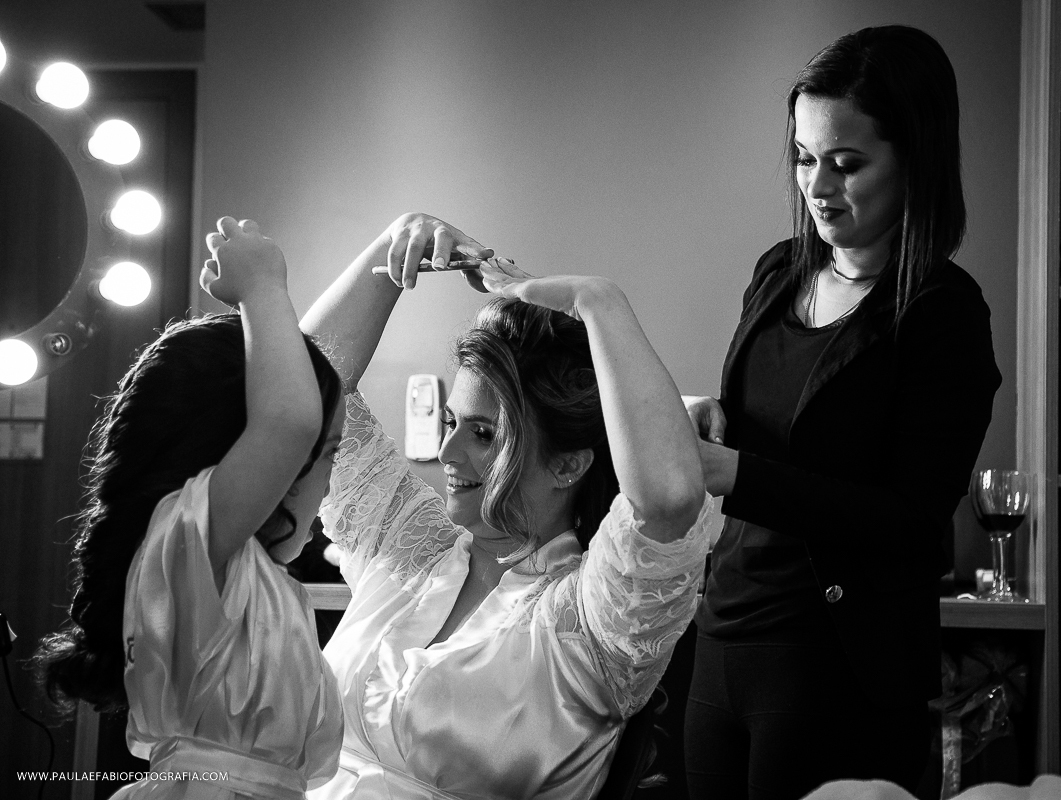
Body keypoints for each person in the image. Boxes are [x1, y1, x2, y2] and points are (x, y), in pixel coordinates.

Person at [681, 25, 1003, 798]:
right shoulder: (777, 272)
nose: (817, 186)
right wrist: (709, 415)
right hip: (724, 636)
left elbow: (910, 519)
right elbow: (771, 424)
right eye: (802, 157)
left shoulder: (943, 315)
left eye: (846, 163)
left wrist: (739, 474)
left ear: (914, 160)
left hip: (835, 664)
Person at [300, 212, 712, 799]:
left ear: (568, 463)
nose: (447, 452)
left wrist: (599, 302)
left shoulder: (592, 623)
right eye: (451, 423)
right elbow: (305, 395)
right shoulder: (409, 543)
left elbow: (669, 498)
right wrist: (394, 250)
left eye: (485, 435)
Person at [35, 217, 345, 799]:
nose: (330, 482)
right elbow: (290, 419)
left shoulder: (243, 575)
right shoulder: (193, 546)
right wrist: (262, 285)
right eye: (323, 453)